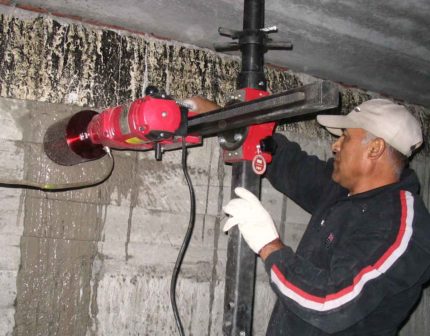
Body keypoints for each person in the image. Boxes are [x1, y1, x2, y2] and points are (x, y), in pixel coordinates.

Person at [187, 97, 430, 335]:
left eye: (345, 136)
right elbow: (286, 162)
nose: (335, 145)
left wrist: (268, 245)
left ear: (375, 148)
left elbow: (332, 305)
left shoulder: (401, 228)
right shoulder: (343, 190)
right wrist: (221, 118)